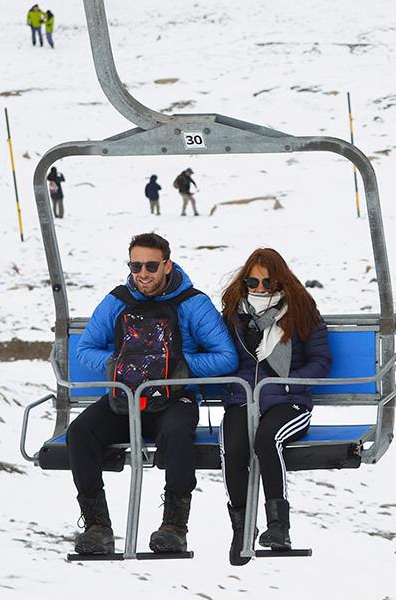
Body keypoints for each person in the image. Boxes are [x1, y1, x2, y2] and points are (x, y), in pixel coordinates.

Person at [67, 233, 237, 557]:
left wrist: (174, 368)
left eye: (151, 265)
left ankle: (174, 526)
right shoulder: (118, 301)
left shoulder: (192, 304)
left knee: (176, 435)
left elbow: (225, 356)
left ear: (167, 265)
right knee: (80, 432)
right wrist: (119, 365)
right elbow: (85, 347)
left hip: (174, 398)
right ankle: (97, 526)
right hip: (125, 399)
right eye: (135, 266)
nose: (143, 273)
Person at [218, 248, 331, 562]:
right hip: (244, 399)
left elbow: (321, 362)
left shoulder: (301, 312)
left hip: (288, 401)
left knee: (268, 440)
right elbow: (222, 358)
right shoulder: (233, 316)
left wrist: (287, 382)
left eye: (267, 283)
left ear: (281, 282)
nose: (259, 289)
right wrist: (232, 386)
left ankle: (279, 526)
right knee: (233, 447)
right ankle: (241, 528)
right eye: (252, 282)